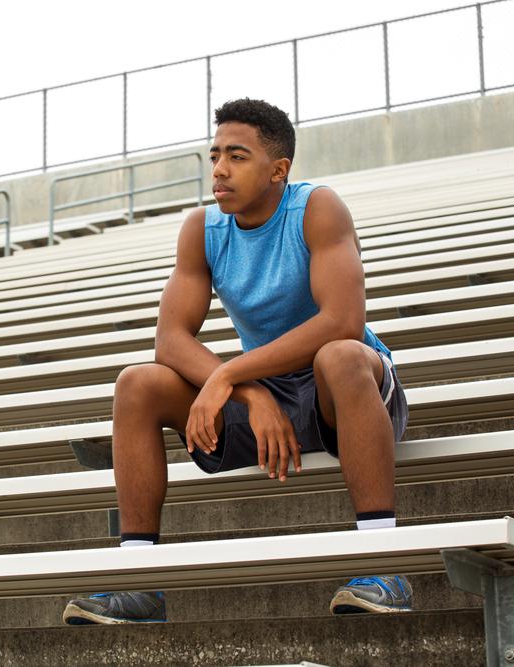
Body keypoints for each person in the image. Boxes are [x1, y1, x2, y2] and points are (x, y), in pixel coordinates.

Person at [62, 98, 411, 625]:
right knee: (138, 383)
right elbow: (170, 340)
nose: (220, 170)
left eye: (238, 156)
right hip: (265, 390)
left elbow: (341, 321)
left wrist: (229, 373)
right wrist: (249, 391)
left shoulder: (317, 208)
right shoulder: (201, 229)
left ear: (279, 169)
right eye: (214, 155)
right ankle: (139, 581)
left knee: (340, 355)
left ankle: (385, 566)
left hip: (344, 390)